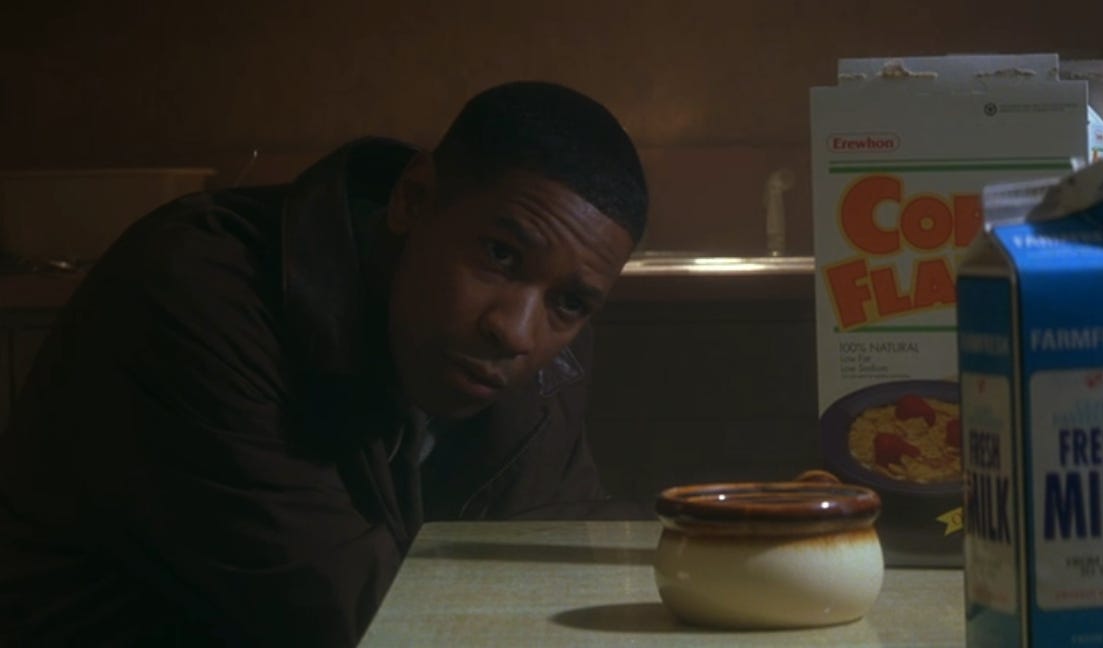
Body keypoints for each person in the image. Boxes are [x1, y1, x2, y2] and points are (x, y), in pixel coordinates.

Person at [0, 81, 649, 646]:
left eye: (569, 302)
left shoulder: (545, 351)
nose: (515, 330)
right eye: (500, 255)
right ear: (414, 198)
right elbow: (358, 621)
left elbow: (562, 553)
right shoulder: (200, 291)